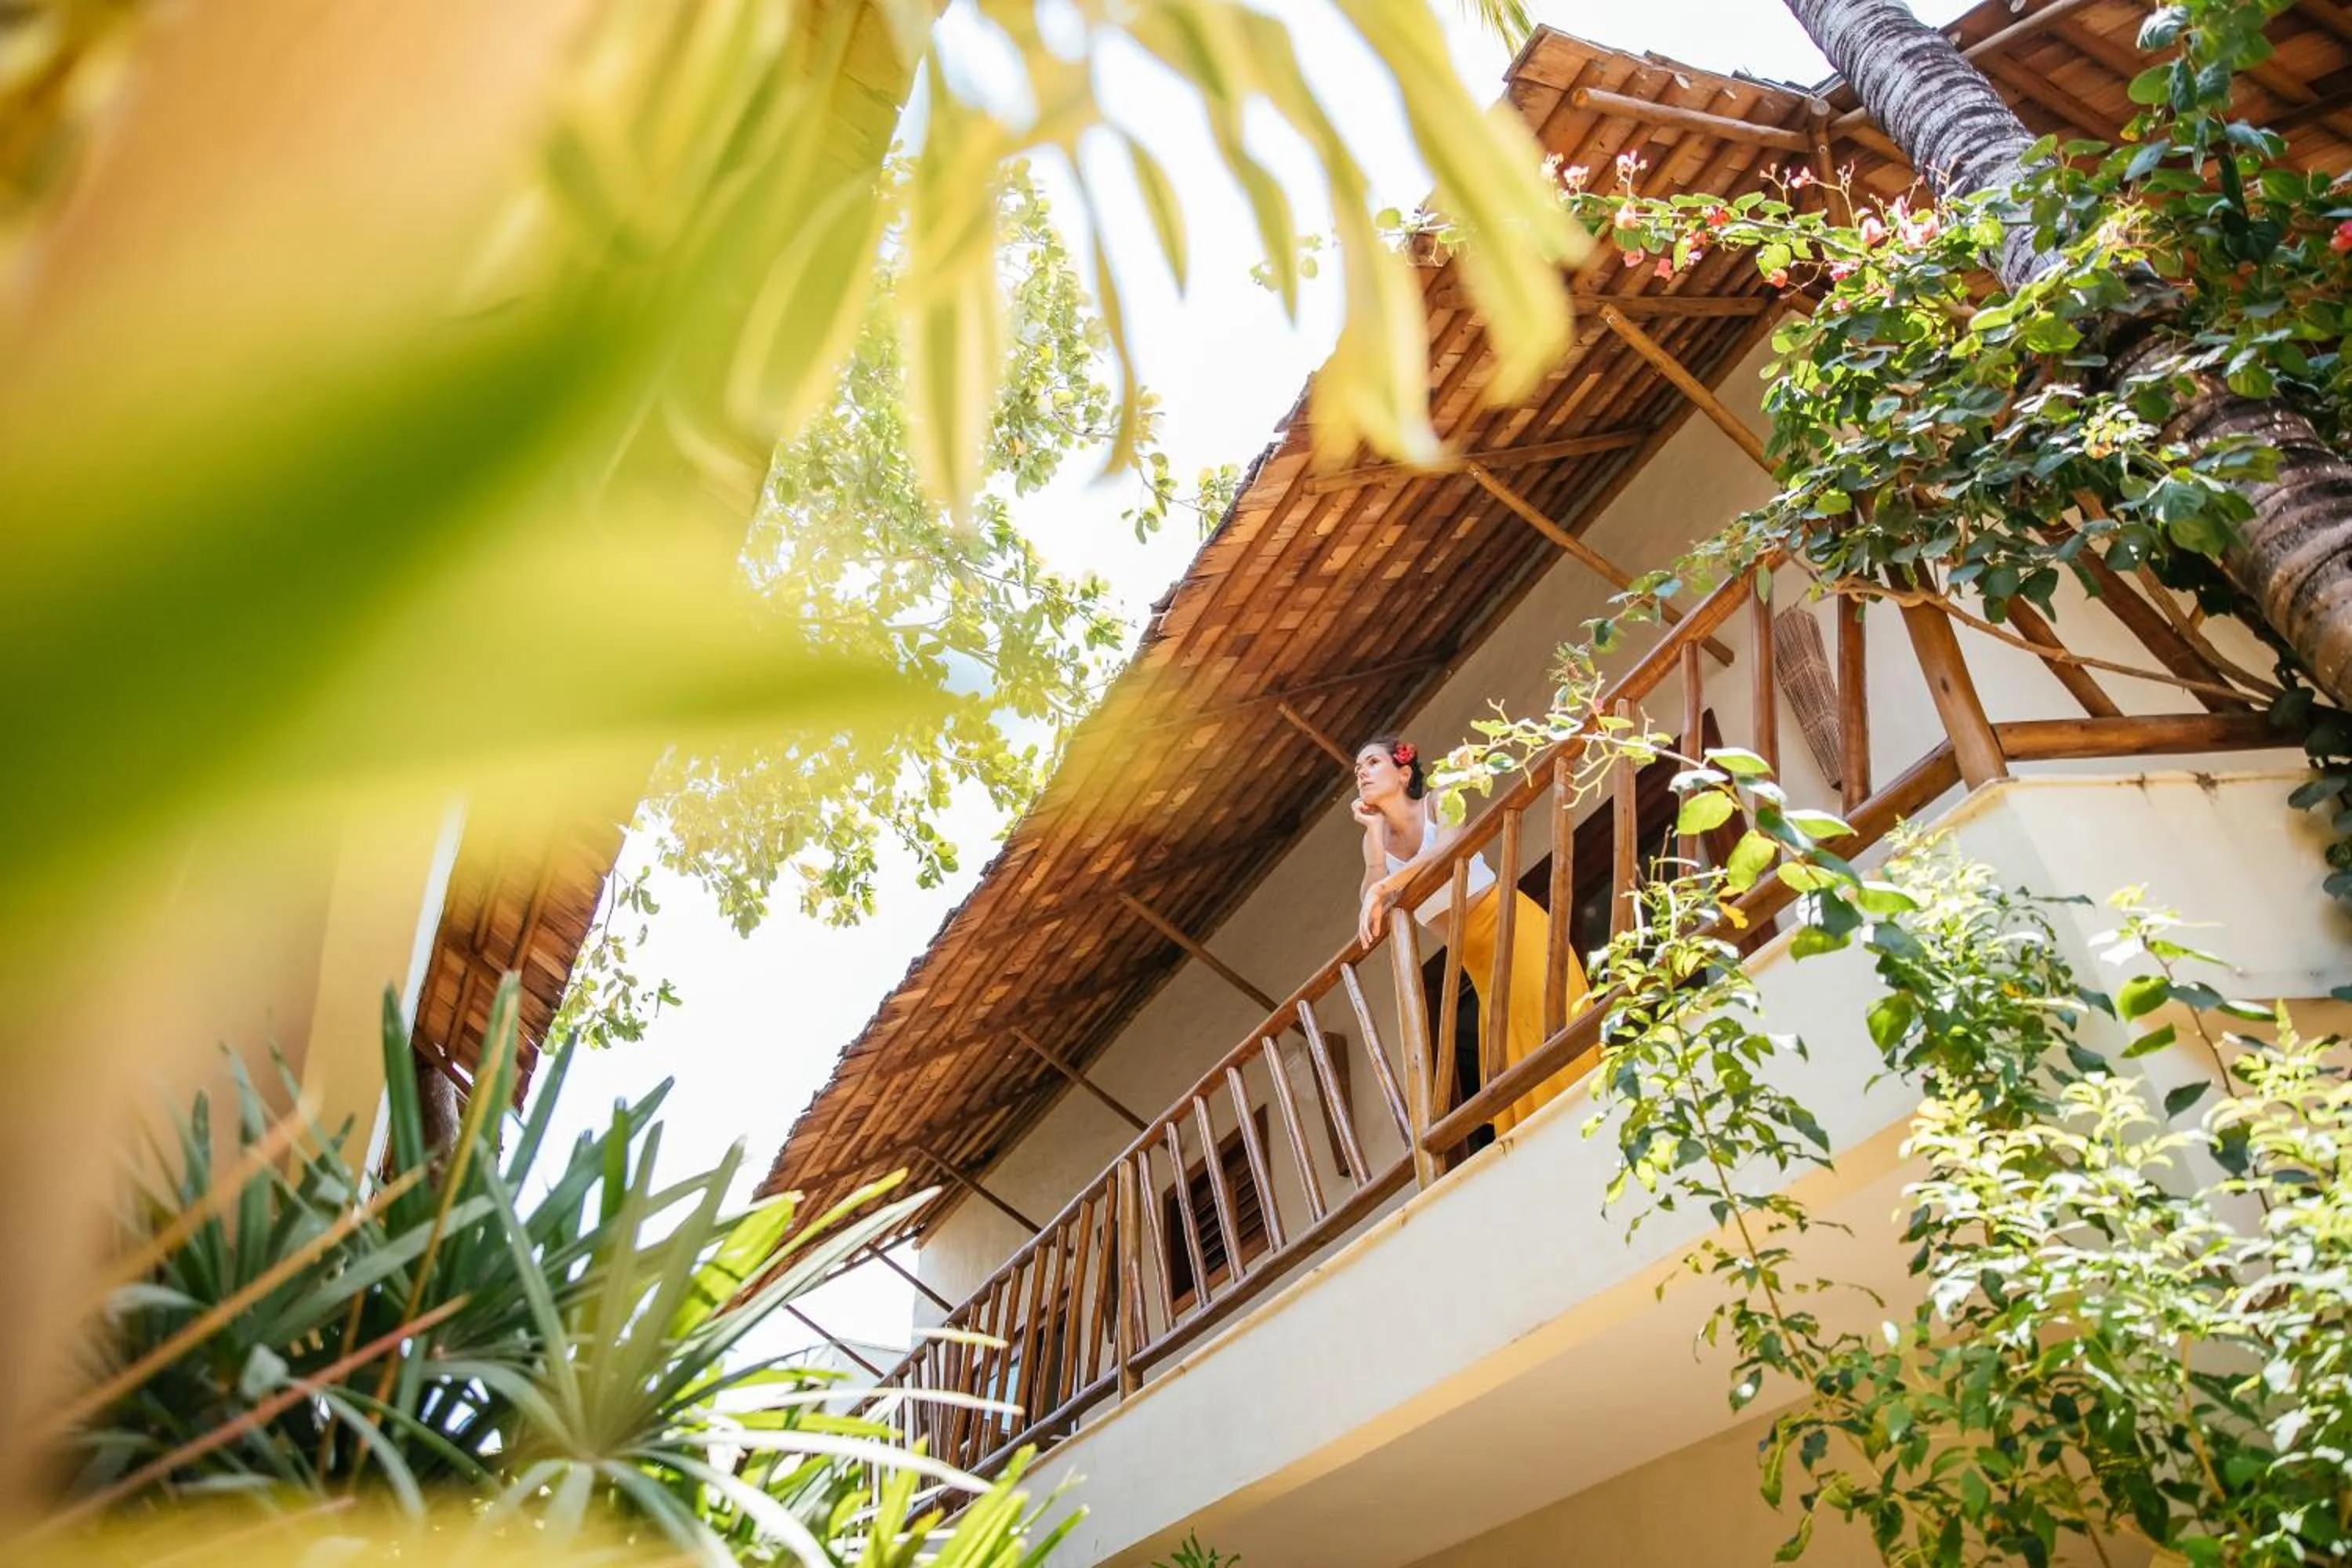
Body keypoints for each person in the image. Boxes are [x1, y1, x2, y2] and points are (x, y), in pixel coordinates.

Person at [1352, 735, 1588, 1138]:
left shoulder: (1439, 799)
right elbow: (1375, 915)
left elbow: (1448, 849)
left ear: (1404, 772)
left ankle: (1586, 1107)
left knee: (1551, 1016)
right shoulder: (1375, 843)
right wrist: (1375, 842)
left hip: (1511, 924)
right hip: (1475, 959)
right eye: (1358, 770)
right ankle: (1551, 1132)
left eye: (1372, 763)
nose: (1362, 774)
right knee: (1512, 1044)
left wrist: (1386, 889)